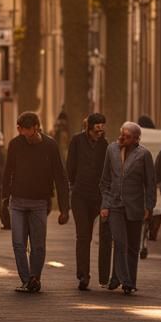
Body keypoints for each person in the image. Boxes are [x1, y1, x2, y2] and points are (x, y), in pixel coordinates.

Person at [1, 111, 70, 293]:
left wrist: (64, 208)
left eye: (27, 131)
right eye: (21, 130)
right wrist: (4, 198)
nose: (24, 135)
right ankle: (26, 280)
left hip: (40, 202)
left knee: (38, 245)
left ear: (36, 128)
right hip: (17, 202)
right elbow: (7, 172)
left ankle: (35, 277)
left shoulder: (50, 145)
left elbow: (60, 177)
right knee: (18, 243)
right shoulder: (15, 144)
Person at [99, 121, 157, 294]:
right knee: (119, 242)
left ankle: (126, 280)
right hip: (115, 204)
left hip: (135, 206)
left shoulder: (144, 154)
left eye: (127, 136)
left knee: (132, 246)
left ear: (136, 139)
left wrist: (149, 207)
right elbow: (105, 181)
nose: (122, 138)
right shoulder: (111, 150)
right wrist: (105, 204)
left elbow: (150, 184)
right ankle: (126, 280)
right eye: (122, 133)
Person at [67, 113, 112, 291]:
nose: (100, 131)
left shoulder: (105, 145)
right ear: (90, 127)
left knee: (101, 236)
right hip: (79, 196)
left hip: (97, 197)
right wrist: (73, 184)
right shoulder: (77, 141)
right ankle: (83, 275)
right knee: (83, 236)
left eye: (102, 127)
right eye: (97, 127)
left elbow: (107, 169)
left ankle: (104, 276)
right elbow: (70, 165)